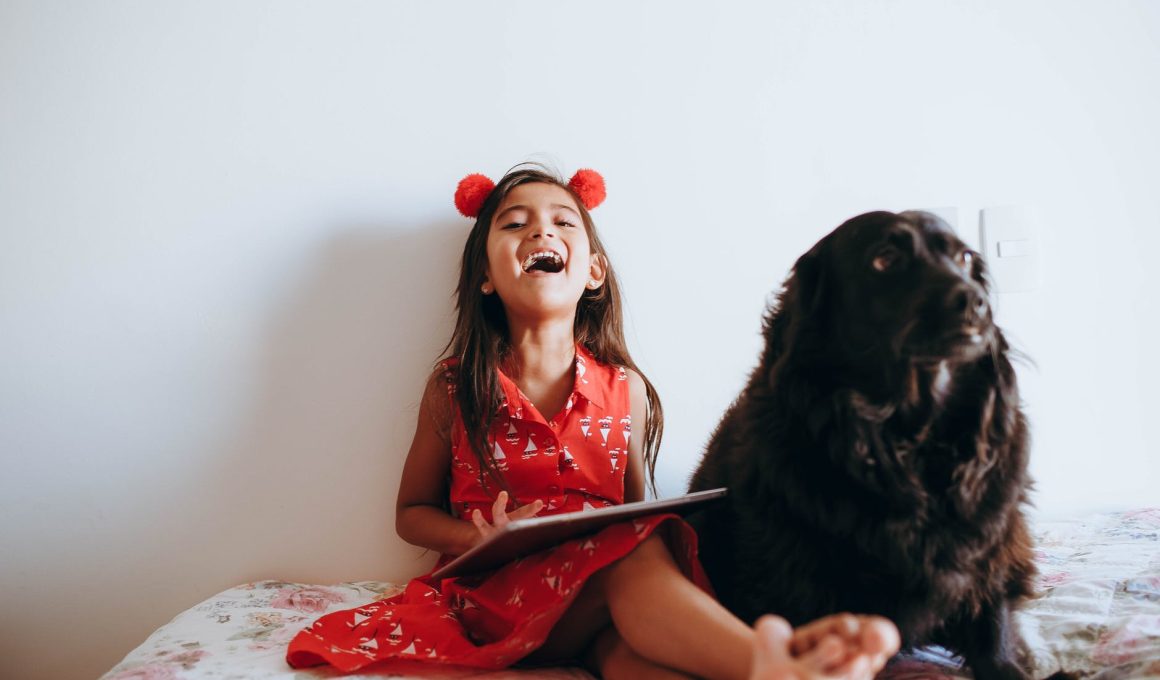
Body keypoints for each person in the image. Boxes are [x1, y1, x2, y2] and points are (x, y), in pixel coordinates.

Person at [285, 165, 900, 679]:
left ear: (594, 272)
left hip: (597, 604)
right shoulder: (455, 387)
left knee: (632, 650)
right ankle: (779, 666)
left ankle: (793, 660)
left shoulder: (623, 388)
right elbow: (409, 513)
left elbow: (635, 514)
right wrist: (474, 538)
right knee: (626, 565)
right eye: (515, 223)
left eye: (560, 221)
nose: (539, 231)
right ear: (484, 278)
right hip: (501, 598)